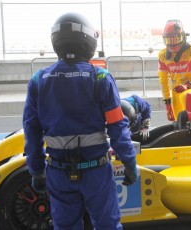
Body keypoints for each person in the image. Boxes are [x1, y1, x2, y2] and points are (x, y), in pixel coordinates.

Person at [23, 12, 138, 230]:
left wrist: (37, 170)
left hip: (58, 172)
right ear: (88, 41)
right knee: (107, 226)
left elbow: (31, 131)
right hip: (96, 172)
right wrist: (129, 162)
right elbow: (117, 127)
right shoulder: (101, 77)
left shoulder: (38, 80)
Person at [158, 19, 191, 121]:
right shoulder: (162, 56)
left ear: (183, 36)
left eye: (175, 39)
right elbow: (163, 81)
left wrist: (187, 85)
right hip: (176, 94)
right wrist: (168, 105)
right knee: (178, 126)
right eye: (169, 40)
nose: (172, 44)